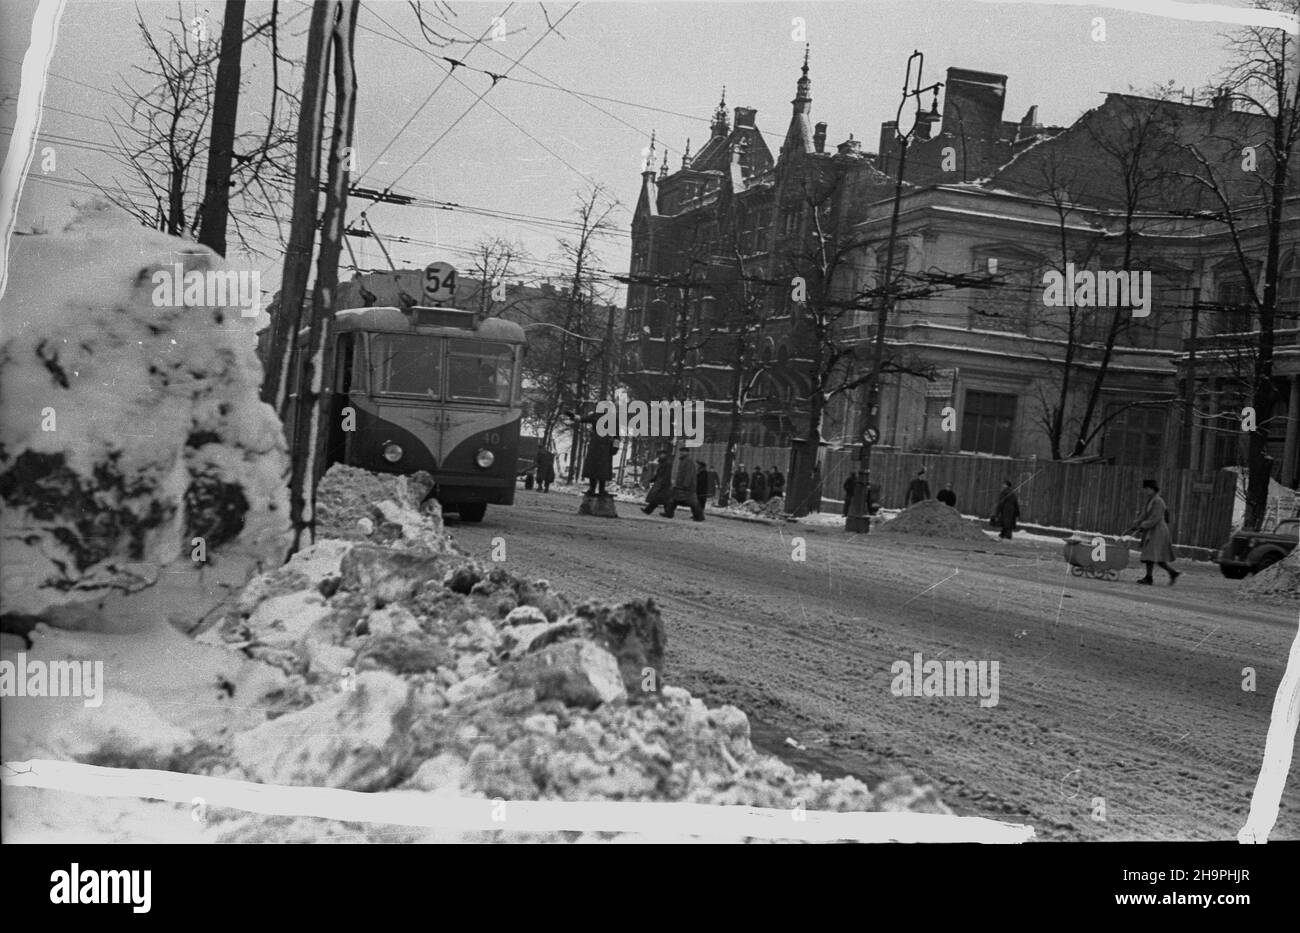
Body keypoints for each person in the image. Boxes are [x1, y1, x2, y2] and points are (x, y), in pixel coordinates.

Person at [1125, 479, 1180, 585]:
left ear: (1152, 489)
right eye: (1145, 489)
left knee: (1150, 554)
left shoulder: (1158, 502)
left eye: (1147, 489)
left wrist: (1142, 525)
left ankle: (1149, 578)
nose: (1145, 491)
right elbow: (1144, 515)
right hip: (1152, 530)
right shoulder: (1150, 500)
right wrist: (1136, 524)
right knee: (1155, 556)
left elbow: (1155, 518)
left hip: (1158, 531)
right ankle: (1172, 572)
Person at [569, 408, 616, 497]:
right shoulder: (596, 415)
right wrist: (574, 416)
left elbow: (617, 435)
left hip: (606, 446)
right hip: (596, 445)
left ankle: (601, 489)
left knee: (603, 469)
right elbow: (583, 418)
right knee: (593, 467)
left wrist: (615, 447)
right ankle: (592, 488)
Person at [664, 446, 705, 521]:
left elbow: (688, 474)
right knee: (674, 499)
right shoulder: (683, 460)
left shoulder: (688, 461)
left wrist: (686, 484)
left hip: (686, 487)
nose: (682, 453)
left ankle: (699, 517)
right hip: (682, 486)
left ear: (687, 452)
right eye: (681, 451)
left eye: (683, 451)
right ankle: (669, 513)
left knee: (692, 502)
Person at [642, 445, 674, 515]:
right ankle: (669, 513)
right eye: (659, 454)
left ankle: (648, 510)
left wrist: (662, 483)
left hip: (664, 484)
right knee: (664, 499)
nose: (660, 456)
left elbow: (666, 475)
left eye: (661, 454)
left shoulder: (667, 463)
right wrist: (653, 479)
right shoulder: (663, 463)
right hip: (662, 484)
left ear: (665, 455)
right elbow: (659, 474)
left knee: (658, 498)